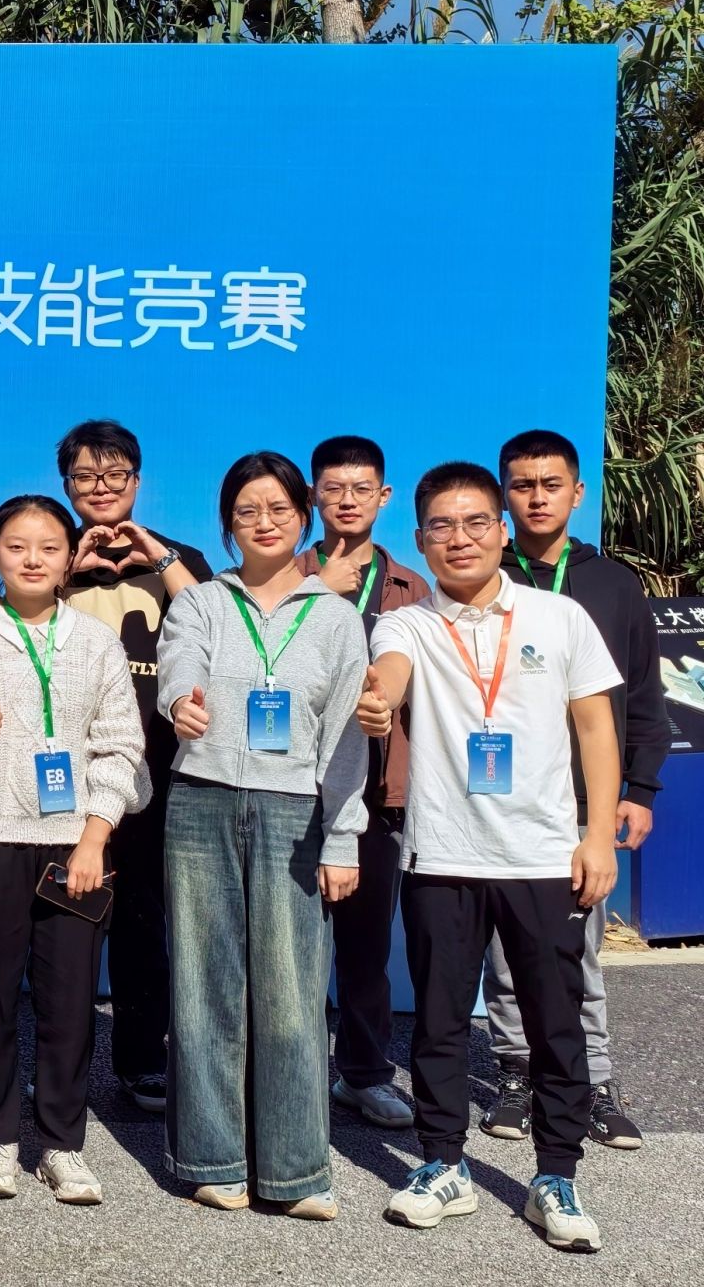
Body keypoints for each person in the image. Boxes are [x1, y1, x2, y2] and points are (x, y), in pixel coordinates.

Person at [361, 461, 620, 1253]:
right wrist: (378, 699)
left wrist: (598, 837)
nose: (460, 538)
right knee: (439, 1023)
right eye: (442, 526)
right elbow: (390, 674)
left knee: (556, 1025)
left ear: (502, 531)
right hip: (442, 856)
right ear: (420, 540)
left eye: (476, 522)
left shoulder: (558, 617)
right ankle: (444, 1164)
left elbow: (596, 729)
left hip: (543, 857)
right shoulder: (408, 624)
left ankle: (557, 1175)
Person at [0, 495, 146, 1204]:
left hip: (74, 845)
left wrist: (94, 836)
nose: (33, 559)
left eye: (49, 546)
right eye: (16, 546)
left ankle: (63, 1145)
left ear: (70, 557)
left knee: (69, 1003)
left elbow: (121, 746)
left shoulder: (95, 642)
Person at [158, 450, 365, 1219]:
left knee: (292, 992)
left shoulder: (336, 617)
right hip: (201, 802)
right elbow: (180, 663)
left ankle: (297, 1170)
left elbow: (348, 737)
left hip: (294, 811)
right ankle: (213, 1159)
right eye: (247, 511)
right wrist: (180, 703)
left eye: (279, 508)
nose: (264, 522)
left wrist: (343, 837)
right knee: (203, 985)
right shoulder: (201, 602)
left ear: (303, 518)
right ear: (227, 525)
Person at [483, 429, 666, 1151]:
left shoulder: (614, 584)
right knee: (506, 953)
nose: (536, 497)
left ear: (577, 492)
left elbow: (642, 697)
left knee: (577, 949)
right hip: (500, 793)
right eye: (522, 485)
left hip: (586, 800)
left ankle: (593, 1080)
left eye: (550, 484)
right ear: (505, 494)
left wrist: (639, 788)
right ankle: (515, 1072)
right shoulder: (482, 577)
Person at [56, 419, 212, 1114]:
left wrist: (159, 552)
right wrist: (68, 564)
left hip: (159, 771)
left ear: (138, 482)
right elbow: (19, 622)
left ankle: (144, 1059)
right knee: (65, 921)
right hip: (68, 771)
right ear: (67, 485)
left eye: (114, 474)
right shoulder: (53, 552)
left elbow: (216, 623)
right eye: (85, 476)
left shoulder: (178, 561)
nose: (100, 488)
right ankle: (61, 1069)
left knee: (147, 920)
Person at [301, 435, 428, 1131]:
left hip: (379, 796)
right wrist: (318, 591)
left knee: (366, 948)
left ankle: (365, 1074)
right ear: (313, 496)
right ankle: (287, 1078)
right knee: (289, 948)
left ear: (383, 497)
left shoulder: (412, 588)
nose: (346, 501)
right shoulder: (284, 576)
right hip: (293, 791)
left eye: (361, 489)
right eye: (333, 489)